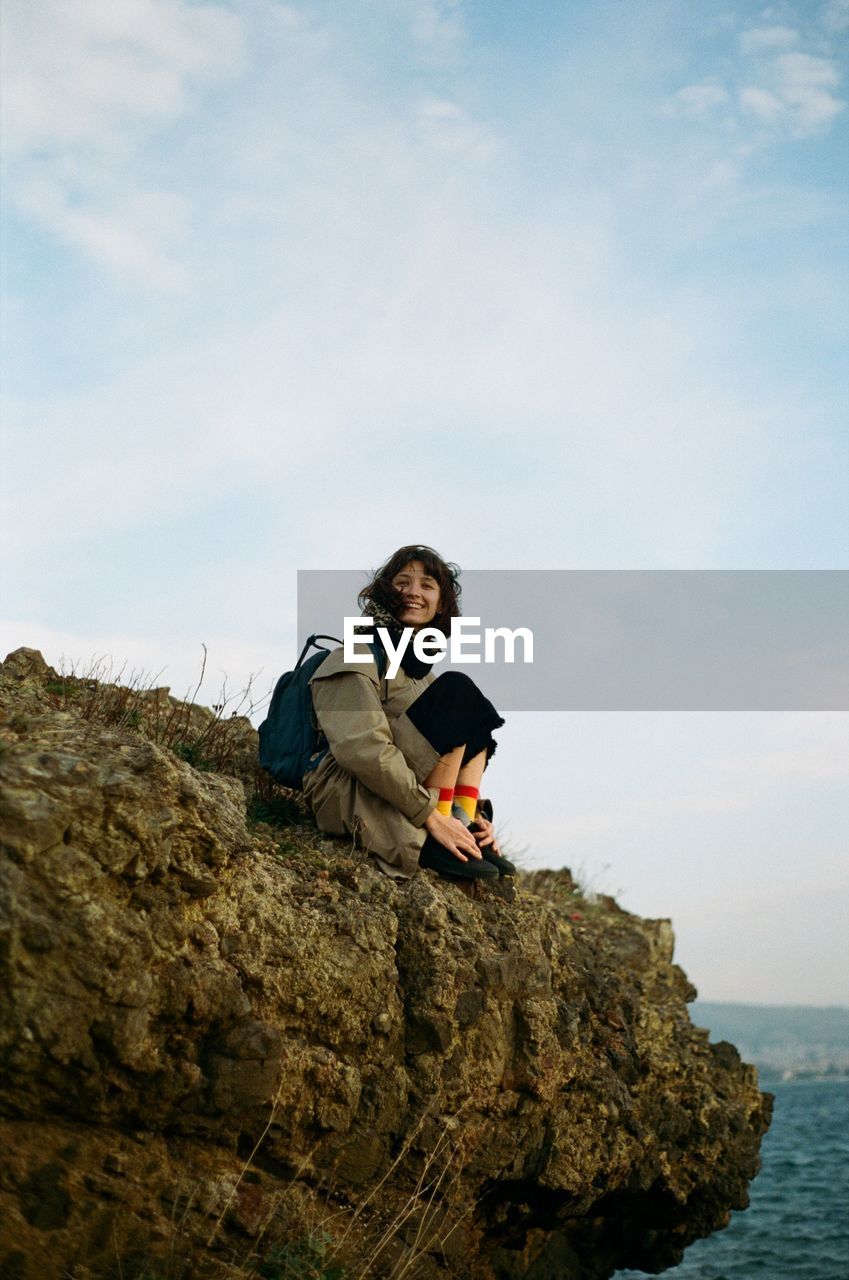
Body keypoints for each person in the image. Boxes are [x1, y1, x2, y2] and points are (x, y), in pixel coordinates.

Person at [302, 545, 515, 882]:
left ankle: (461, 818)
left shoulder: (421, 676)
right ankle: (443, 827)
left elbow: (451, 747)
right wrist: (430, 814)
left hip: (403, 788)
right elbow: (363, 749)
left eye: (427, 585)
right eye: (403, 583)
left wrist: (471, 815)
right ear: (386, 593)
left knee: (470, 710)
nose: (414, 592)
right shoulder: (355, 656)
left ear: (441, 604)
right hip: (344, 788)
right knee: (456, 693)